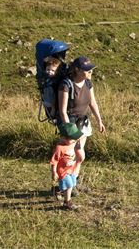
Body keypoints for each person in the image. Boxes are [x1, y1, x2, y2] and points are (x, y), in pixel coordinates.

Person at [58, 56, 106, 188]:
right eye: (87, 70)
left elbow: (93, 102)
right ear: (77, 70)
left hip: (83, 123)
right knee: (71, 156)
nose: (90, 72)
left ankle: (72, 183)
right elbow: (62, 111)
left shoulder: (88, 83)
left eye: (91, 69)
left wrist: (99, 121)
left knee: (79, 157)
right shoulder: (66, 85)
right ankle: (62, 185)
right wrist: (69, 131)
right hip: (71, 123)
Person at [50, 122, 83, 210]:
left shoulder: (72, 143)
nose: (74, 140)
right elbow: (54, 161)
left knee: (72, 184)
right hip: (62, 171)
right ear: (64, 138)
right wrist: (54, 172)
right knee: (69, 185)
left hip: (71, 170)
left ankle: (57, 190)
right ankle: (67, 203)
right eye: (72, 138)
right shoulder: (59, 148)